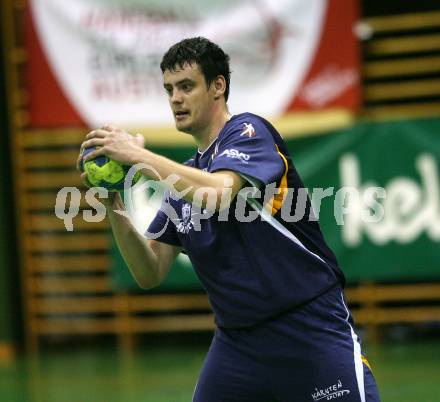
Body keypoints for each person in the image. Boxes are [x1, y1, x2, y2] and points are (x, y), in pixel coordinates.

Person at [78, 37, 380, 402]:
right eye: (169, 89)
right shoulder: (182, 182)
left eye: (187, 86)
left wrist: (140, 158)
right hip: (240, 345)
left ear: (218, 86)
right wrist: (114, 202)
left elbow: (218, 192)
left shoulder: (250, 133)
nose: (175, 98)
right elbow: (149, 270)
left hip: (308, 328)